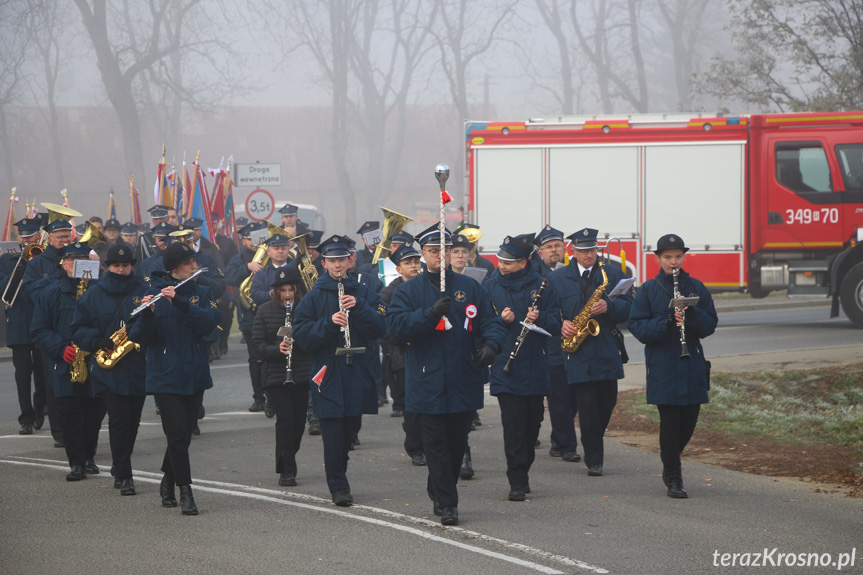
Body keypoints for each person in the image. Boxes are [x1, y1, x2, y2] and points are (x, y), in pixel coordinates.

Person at [386, 223, 505, 525]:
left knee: (456, 445)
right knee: (436, 445)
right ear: (423, 254)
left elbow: (489, 320)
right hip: (427, 381)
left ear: (453, 252)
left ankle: (439, 488)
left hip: (464, 378)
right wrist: (428, 315)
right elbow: (396, 329)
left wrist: (491, 345)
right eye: (433, 251)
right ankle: (448, 503)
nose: (441, 255)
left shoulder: (472, 288)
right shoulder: (408, 291)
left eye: (446, 250)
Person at [292, 234, 386, 507]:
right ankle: (338, 486)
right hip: (328, 370)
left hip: (357, 368)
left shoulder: (364, 292)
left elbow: (380, 328)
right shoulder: (312, 297)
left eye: (342, 260)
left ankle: (339, 468)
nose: (337, 265)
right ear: (324, 263)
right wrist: (329, 324)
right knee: (332, 433)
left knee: (350, 430)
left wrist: (360, 309)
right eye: (332, 261)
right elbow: (303, 336)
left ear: (349, 260)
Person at [129, 242, 221, 515]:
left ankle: (168, 479)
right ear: (173, 269)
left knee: (183, 435)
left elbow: (210, 324)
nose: (195, 266)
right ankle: (186, 491)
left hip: (194, 372)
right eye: (188, 263)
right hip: (165, 375)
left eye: (194, 262)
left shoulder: (203, 292)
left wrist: (180, 303)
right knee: (178, 433)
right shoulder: (151, 293)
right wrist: (146, 314)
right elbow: (138, 338)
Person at [628, 234, 717, 499]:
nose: (673, 262)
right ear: (658, 259)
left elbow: (710, 325)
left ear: (683, 258)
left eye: (678, 256)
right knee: (670, 423)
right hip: (664, 365)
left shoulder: (696, 287)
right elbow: (638, 328)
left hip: (692, 365)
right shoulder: (648, 290)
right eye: (667, 257)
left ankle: (670, 460)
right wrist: (667, 320)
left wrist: (691, 314)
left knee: (688, 423)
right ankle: (674, 476)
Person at [545, 227, 632, 477]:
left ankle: (594, 439)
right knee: (587, 407)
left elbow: (629, 307)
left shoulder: (613, 275)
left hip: (606, 348)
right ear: (573, 251)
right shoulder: (558, 278)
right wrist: (560, 323)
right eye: (584, 251)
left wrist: (610, 306)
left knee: (607, 402)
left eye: (593, 250)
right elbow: (548, 310)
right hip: (577, 351)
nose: (589, 255)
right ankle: (595, 459)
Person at [484, 233, 560, 501]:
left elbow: (556, 321)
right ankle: (516, 479)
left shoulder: (542, 284)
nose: (502, 265)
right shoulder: (490, 286)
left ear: (524, 262)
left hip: (535, 364)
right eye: (500, 260)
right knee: (513, 426)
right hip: (505, 364)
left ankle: (524, 467)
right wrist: (500, 320)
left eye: (508, 262)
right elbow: (483, 322)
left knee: (532, 425)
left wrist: (540, 318)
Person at [71, 243, 148, 495]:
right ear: (107, 267)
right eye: (116, 265)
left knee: (133, 422)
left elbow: (155, 325)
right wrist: (94, 342)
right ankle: (125, 476)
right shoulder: (93, 295)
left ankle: (119, 462)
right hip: (108, 367)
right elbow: (78, 327)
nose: (122, 269)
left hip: (136, 365)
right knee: (118, 420)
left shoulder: (144, 291)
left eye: (126, 265)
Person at [30, 242, 107, 481]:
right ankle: (76, 462)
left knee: (94, 412)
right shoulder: (50, 293)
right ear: (63, 265)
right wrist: (60, 348)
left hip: (94, 361)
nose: (77, 265)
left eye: (82, 261)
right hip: (65, 362)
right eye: (72, 261)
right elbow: (39, 330)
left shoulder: (100, 290)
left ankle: (89, 455)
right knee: (70, 412)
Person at [252, 266, 311, 487]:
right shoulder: (265, 310)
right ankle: (287, 469)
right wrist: (278, 350)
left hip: (301, 372)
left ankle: (288, 456)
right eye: (283, 290)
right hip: (275, 375)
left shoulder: (305, 309)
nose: (287, 294)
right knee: (285, 421)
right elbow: (257, 345)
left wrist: (300, 342)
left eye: (291, 290)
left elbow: (314, 338)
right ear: (276, 291)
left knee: (298, 424)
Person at [21, 211, 76, 447]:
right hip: (51, 330)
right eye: (60, 237)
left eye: (68, 236)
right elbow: (30, 293)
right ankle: (60, 432)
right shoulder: (39, 263)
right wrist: (61, 272)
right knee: (54, 383)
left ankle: (79, 428)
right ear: (50, 238)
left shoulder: (79, 256)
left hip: (76, 326)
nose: (65, 240)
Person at [533, 225, 580, 462]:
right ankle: (566, 445)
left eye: (558, 246)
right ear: (540, 252)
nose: (554, 250)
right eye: (549, 247)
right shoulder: (535, 275)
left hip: (576, 340)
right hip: (549, 342)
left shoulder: (573, 271)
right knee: (559, 396)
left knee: (573, 396)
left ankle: (558, 438)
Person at [1, 218, 47, 435]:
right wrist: (18, 267)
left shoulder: (44, 257)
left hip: (40, 320)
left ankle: (39, 409)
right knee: (22, 373)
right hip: (19, 322)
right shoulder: (8, 260)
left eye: (30, 235)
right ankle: (25, 417)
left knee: (41, 371)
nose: (26, 239)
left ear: (38, 236)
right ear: (18, 237)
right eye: (23, 236)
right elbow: (3, 289)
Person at [379, 244, 424, 464]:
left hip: (427, 351)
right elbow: (384, 326)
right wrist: (405, 337)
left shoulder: (428, 286)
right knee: (410, 404)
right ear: (398, 269)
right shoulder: (388, 293)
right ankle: (415, 448)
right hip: (401, 354)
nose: (414, 266)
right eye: (408, 263)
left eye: (416, 262)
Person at [226, 222, 268, 413]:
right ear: (243, 240)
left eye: (257, 238)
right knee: (255, 359)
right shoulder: (238, 259)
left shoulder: (269, 254)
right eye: (249, 238)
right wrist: (247, 267)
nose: (254, 242)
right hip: (250, 315)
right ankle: (258, 397)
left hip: (271, 313)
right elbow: (229, 278)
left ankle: (273, 398)